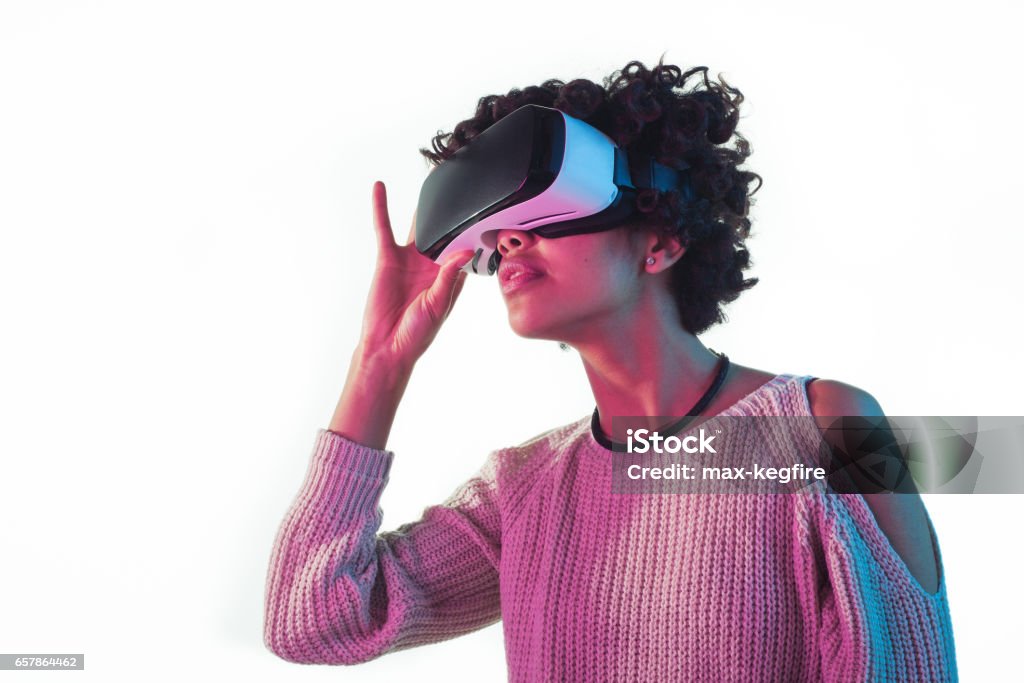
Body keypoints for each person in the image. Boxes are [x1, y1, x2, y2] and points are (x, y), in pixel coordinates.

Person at [263, 59, 958, 681]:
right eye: (498, 227)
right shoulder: (523, 489)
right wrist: (379, 365)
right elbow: (315, 619)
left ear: (659, 241)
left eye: (542, 209)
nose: (509, 239)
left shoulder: (826, 429)